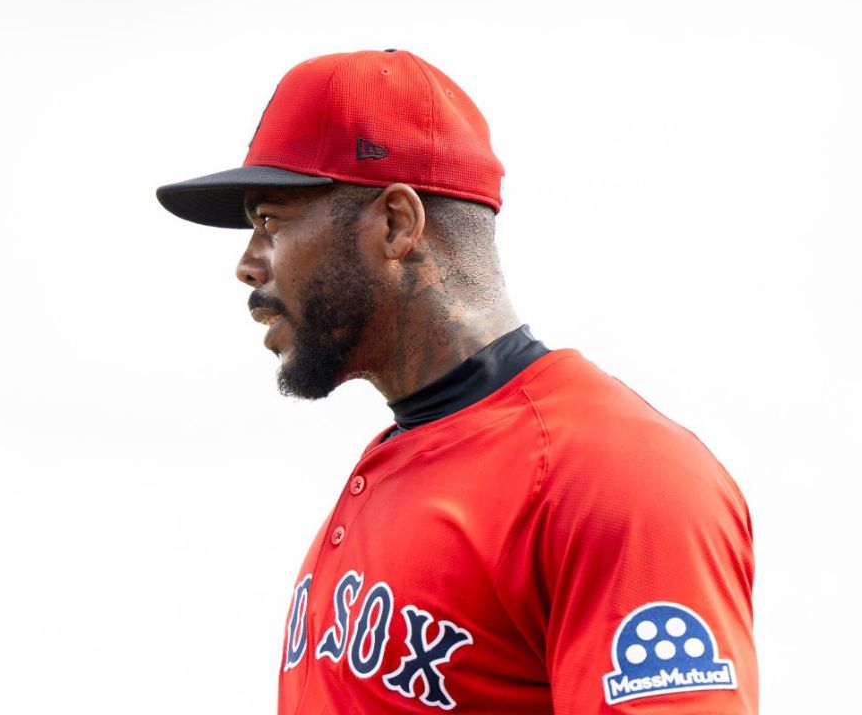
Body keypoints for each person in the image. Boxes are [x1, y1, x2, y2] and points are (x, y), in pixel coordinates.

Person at [156, 49, 757, 714]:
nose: (247, 266)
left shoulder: (612, 476)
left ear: (395, 225)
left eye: (270, 221)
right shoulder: (390, 467)